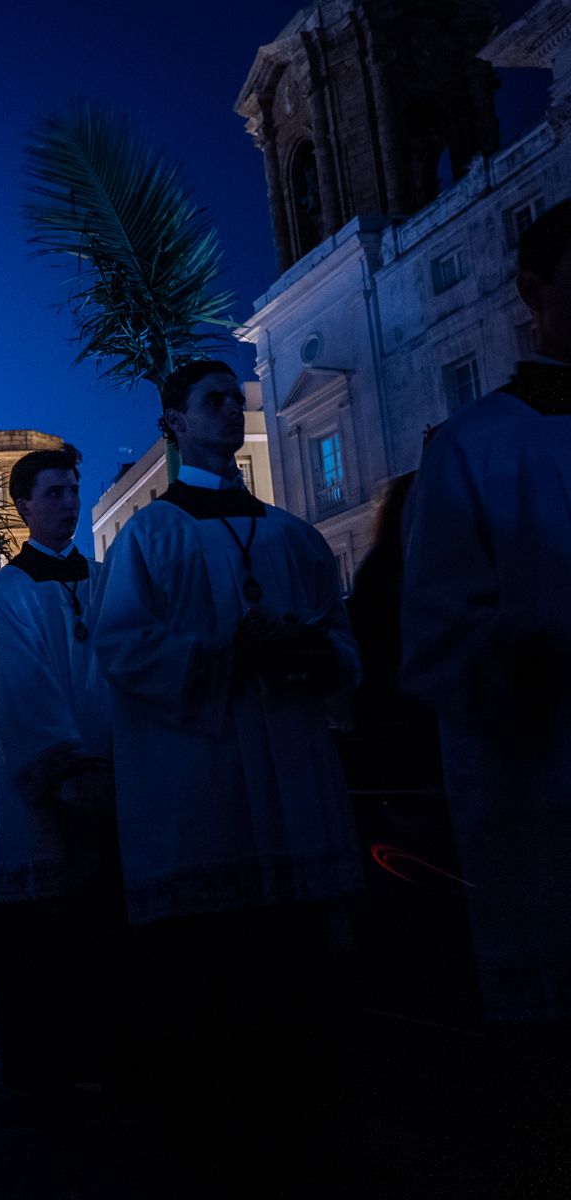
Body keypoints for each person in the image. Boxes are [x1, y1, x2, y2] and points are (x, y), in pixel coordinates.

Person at [92, 360, 363, 1180]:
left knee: (295, 974)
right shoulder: (151, 538)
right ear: (174, 422)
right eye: (211, 402)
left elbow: (343, 643)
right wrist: (224, 652)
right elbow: (123, 651)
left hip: (289, 770)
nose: (226, 411)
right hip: (200, 785)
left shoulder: (291, 537)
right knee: (214, 982)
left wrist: (307, 651)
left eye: (229, 400)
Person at [400, 199, 571, 1184]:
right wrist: (529, 649)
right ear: (538, 296)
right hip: (547, 789)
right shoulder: (476, 447)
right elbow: (434, 636)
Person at [0, 448, 119, 1098]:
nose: (68, 502)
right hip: (47, 800)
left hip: (116, 792)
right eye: (53, 492)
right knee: (47, 950)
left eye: (73, 490)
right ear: (24, 507)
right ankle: (47, 1081)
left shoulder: (107, 582)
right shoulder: (6, 592)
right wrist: (69, 771)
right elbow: (20, 693)